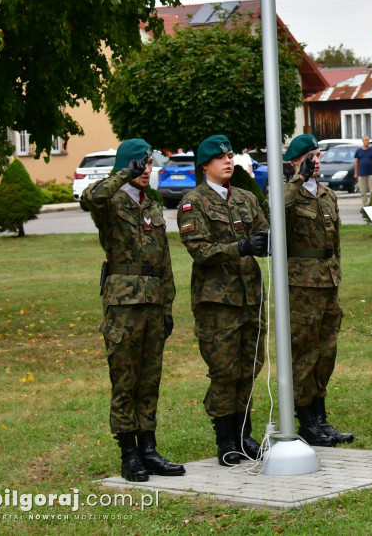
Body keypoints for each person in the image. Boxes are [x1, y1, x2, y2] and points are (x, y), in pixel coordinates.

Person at [85, 138, 184, 483]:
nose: (147, 170)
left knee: (149, 379)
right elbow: (88, 198)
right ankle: (129, 454)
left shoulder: (153, 206)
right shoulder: (110, 202)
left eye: (149, 164)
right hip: (123, 305)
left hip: (154, 303)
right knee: (125, 379)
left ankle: (149, 448)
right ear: (128, 165)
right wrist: (121, 175)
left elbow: (165, 262)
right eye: (140, 164)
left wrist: (168, 305)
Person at [177, 135, 270, 466]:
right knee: (224, 370)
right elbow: (200, 251)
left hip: (250, 298)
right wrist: (241, 248)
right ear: (205, 166)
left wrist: (266, 242)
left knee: (249, 368)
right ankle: (225, 439)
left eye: (230, 155)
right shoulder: (193, 203)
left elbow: (266, 235)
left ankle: (244, 435)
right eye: (220, 158)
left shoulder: (245, 198)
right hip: (217, 303)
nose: (228, 161)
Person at [283, 134, 353, 446]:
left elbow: (335, 241)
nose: (317, 161)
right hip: (302, 284)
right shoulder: (288, 194)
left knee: (326, 351)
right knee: (304, 352)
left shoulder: (327, 194)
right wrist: (297, 179)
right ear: (296, 161)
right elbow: (276, 218)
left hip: (328, 281)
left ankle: (321, 417)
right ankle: (306, 420)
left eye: (318, 155)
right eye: (310, 156)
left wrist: (336, 270)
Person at [352, 135, 372, 206]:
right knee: (363, 191)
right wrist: (356, 173)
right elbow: (356, 163)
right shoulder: (359, 151)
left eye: (368, 140)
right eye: (366, 140)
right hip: (361, 173)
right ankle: (365, 204)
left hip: (371, 173)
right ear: (363, 141)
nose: (368, 142)